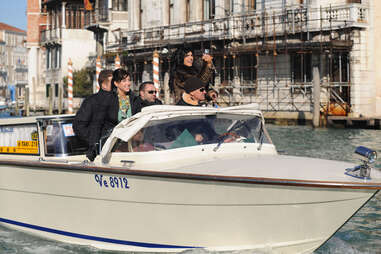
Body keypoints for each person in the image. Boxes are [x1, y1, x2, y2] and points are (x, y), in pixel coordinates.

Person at [73, 69, 113, 161]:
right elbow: (79, 125)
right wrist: (96, 142)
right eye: (113, 82)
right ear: (103, 84)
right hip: (99, 152)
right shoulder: (91, 101)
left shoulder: (121, 100)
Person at [101, 69, 138, 144]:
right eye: (124, 81)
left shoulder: (135, 99)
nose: (128, 83)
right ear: (116, 83)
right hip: (113, 142)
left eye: (129, 80)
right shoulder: (108, 100)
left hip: (132, 140)